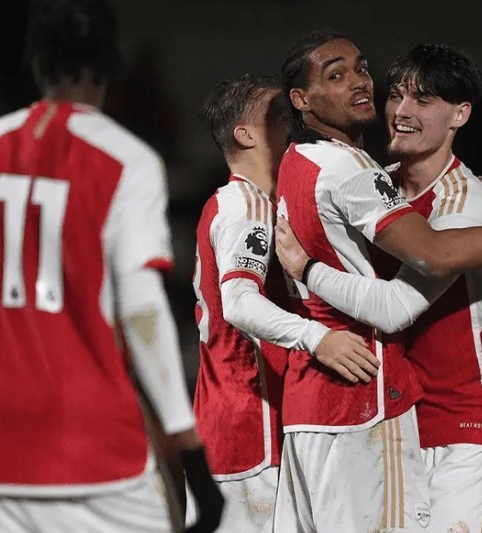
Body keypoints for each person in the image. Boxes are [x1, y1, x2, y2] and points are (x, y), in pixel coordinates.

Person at [272, 30, 482, 532]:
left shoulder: (465, 199)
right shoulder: (374, 184)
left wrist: (306, 270)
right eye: (398, 94)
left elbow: (394, 308)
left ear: (460, 115)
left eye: (423, 99)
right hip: (402, 422)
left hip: (470, 423)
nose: (401, 110)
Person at [0, 0, 224, 531]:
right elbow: (140, 309)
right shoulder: (124, 158)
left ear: (35, 63)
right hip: (96, 466)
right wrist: (185, 438)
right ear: (111, 65)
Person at [188, 74, 380, 532]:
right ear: (245, 135)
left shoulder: (268, 203)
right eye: (279, 117)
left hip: (248, 420)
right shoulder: (246, 208)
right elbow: (238, 302)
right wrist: (318, 338)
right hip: (251, 424)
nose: (293, 125)